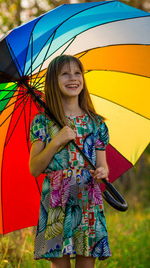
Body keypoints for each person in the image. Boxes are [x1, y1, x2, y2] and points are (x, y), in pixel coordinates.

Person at [29, 55, 111, 268]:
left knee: (87, 262)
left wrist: (102, 172)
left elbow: (102, 164)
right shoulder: (42, 122)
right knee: (59, 264)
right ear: (53, 81)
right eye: (65, 73)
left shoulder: (96, 123)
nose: (73, 78)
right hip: (56, 199)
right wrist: (56, 140)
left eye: (77, 73)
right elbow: (34, 168)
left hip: (88, 197)